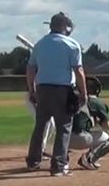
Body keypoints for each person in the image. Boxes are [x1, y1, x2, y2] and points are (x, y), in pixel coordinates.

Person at [25, 12, 87, 177]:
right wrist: (84, 92)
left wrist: (32, 90)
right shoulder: (72, 44)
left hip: (43, 89)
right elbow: (79, 70)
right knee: (63, 128)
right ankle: (59, 166)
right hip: (63, 90)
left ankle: (33, 161)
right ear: (64, 26)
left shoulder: (40, 44)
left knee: (40, 126)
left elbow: (30, 68)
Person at [70, 77, 109, 170]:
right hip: (80, 139)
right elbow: (107, 126)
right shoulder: (96, 102)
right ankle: (89, 159)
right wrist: (98, 122)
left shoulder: (73, 99)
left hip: (62, 139)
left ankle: (61, 159)